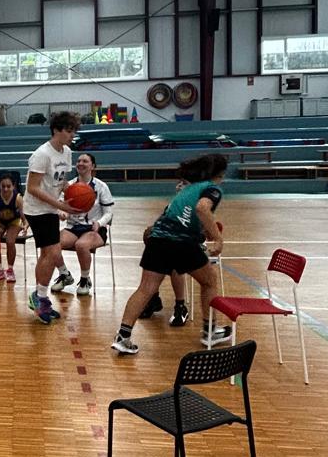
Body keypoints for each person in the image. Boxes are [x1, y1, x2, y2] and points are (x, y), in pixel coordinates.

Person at [110, 153, 233, 356]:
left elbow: (180, 214)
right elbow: (202, 209)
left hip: (158, 239)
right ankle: (210, 331)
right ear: (220, 174)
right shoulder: (212, 189)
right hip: (180, 242)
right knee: (209, 281)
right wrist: (218, 239)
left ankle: (123, 337)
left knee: (145, 289)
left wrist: (202, 231)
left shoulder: (188, 189)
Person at [23, 111, 82, 325]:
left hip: (50, 208)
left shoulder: (67, 152)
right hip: (37, 210)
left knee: (49, 254)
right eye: (69, 130)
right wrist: (60, 206)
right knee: (51, 253)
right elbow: (32, 188)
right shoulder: (42, 154)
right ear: (56, 130)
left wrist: (75, 194)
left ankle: (40, 297)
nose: (72, 135)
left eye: (74, 131)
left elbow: (61, 182)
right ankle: (39, 297)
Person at [51, 150, 114, 297]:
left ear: (93, 166)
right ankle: (65, 275)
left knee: (81, 245)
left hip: (94, 228)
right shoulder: (69, 186)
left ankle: (85, 279)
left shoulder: (101, 186)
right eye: (78, 161)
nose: (80, 163)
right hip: (73, 227)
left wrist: (99, 223)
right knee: (52, 244)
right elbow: (62, 206)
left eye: (85, 161)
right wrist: (62, 213)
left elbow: (109, 213)